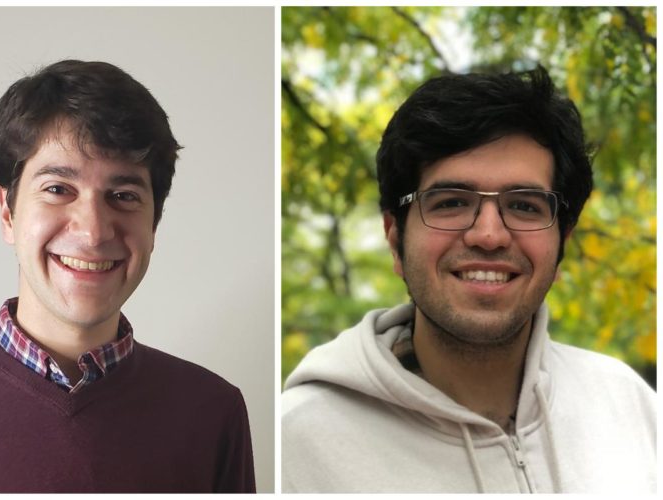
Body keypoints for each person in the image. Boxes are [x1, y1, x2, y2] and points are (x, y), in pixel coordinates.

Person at [281, 66, 656, 493]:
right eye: (452, 202)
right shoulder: (298, 443)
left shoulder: (630, 404)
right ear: (394, 238)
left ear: (561, 242)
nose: (489, 235)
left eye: (525, 206)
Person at [0, 60, 255, 493]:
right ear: (7, 210)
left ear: (154, 225)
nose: (94, 231)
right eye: (58, 189)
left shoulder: (213, 413)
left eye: (123, 196)